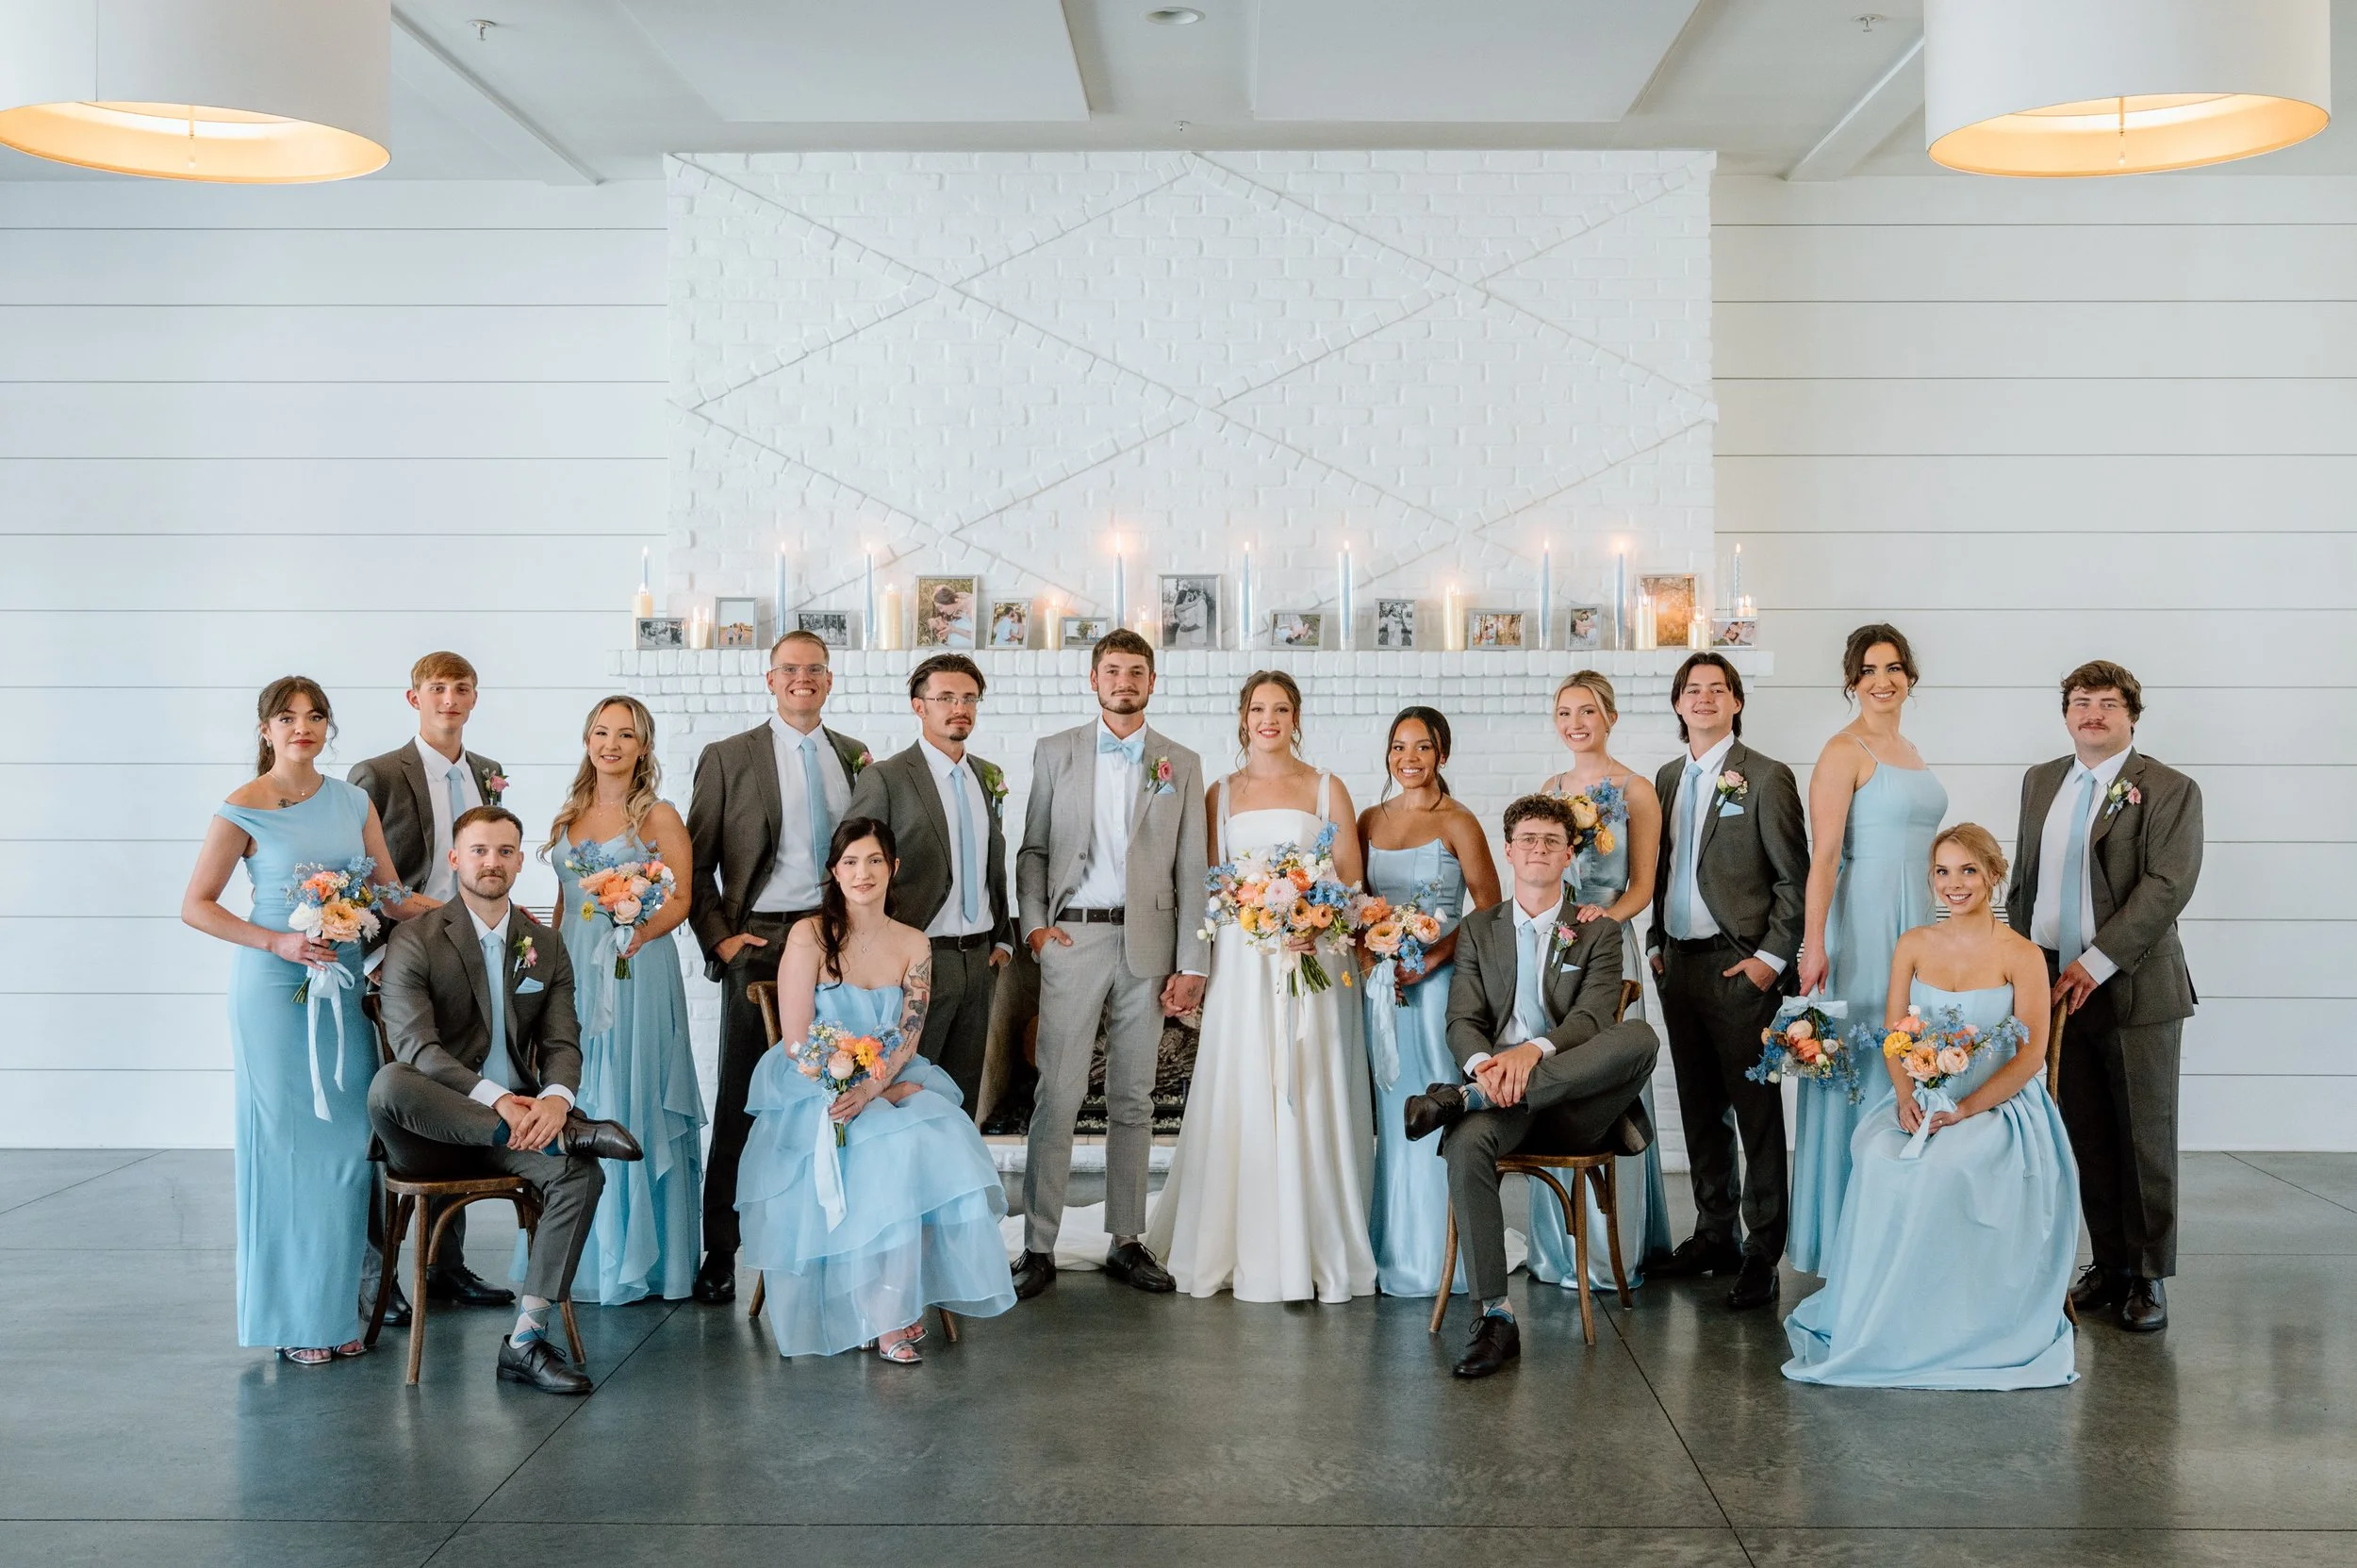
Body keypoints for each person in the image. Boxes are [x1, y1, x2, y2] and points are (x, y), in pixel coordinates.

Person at [181, 677, 429, 1364]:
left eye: (316, 715)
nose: (303, 726)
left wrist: (466, 909)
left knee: (349, 1149)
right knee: (285, 1150)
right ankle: (295, 1319)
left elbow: (390, 894)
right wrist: (278, 941)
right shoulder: (244, 807)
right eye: (287, 717)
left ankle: (335, 1307)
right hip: (273, 989)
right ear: (265, 729)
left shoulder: (353, 801)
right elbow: (197, 904)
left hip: (342, 986)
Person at [1783, 824, 2077, 1389]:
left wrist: (1966, 1110)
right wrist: (1903, 1096)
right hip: (1923, 1098)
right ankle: (1883, 1317)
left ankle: (1950, 1325)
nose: (1954, 884)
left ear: (1993, 875)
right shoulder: (1913, 943)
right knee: (1875, 1154)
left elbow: (2032, 1053)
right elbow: (1896, 1033)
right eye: (1942, 872)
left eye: (1968, 870)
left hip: (1997, 1106)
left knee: (1946, 1164)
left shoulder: (2022, 954)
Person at [368, 806, 643, 1395]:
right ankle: (563, 1132)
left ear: (520, 860)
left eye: (505, 851)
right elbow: (418, 1049)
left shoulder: (545, 944)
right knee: (389, 1082)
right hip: (433, 1135)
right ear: (455, 859)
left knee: (577, 1174)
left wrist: (555, 1099)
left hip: (520, 1129)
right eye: (479, 850)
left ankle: (526, 1339)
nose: (492, 862)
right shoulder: (414, 939)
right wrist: (501, 1104)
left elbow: (563, 1042)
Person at [736, 818, 1017, 1362]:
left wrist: (875, 1087)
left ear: (894, 867)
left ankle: (891, 1300)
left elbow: (909, 1038)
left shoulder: (914, 943)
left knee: (940, 1137)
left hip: (884, 1079)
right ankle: (884, 1314)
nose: (862, 874)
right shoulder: (810, 935)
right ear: (834, 872)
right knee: (890, 1143)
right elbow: (797, 1040)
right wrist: (846, 1085)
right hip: (816, 1083)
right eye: (849, 863)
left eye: (872, 861)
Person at [1403, 794, 1661, 1378]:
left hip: (1576, 1106)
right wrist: (1483, 1068)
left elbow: (1593, 1022)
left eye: (1551, 842)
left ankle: (1457, 1101)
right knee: (1468, 1145)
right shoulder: (1478, 929)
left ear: (1570, 854)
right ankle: (1495, 1317)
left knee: (1639, 1036)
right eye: (1528, 841)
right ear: (1509, 850)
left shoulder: (1596, 930)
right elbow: (1462, 1020)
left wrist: (1526, 1054)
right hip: (1501, 1095)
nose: (1538, 850)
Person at [1144, 671, 1377, 1304]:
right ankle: (1235, 1238)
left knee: (1309, 1081)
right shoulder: (1220, 792)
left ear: (1296, 716)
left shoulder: (1327, 787)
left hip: (1313, 967)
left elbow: (1354, 889)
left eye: (1280, 708)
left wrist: (1319, 925)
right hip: (1245, 966)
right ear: (1242, 717)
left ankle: (1317, 1239)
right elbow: (1211, 884)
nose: (1268, 719)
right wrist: (1251, 916)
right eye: (1257, 708)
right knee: (1244, 1084)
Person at [1010, 631, 1209, 1299]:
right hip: (1073, 940)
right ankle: (1038, 1243)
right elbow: (1033, 848)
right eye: (1113, 670)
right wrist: (1036, 927)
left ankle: (1127, 1237)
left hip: (1149, 950)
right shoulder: (1055, 751)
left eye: (1136, 671)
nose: (1124, 681)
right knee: (1058, 1095)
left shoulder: (1180, 760)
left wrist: (1192, 961)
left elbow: (1192, 869)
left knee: (1132, 1097)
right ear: (1094, 679)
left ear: (1153, 682)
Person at [2010, 660, 2202, 1332]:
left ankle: (2149, 1276)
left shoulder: (2170, 789)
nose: (2093, 713)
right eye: (2081, 702)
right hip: (2055, 985)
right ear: (2066, 713)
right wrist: (2022, 964)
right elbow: (2025, 880)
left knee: (2144, 1139)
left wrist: (2095, 961)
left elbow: (2166, 887)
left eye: (2108, 703)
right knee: (2083, 1135)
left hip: (2134, 988)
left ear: (2131, 715)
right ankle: (2111, 1263)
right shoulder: (2041, 781)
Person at [684, 630, 870, 1305]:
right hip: (759, 941)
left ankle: (833, 1239)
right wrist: (721, 939)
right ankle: (722, 1252)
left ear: (829, 679)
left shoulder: (852, 756)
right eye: (790, 669)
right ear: (770, 680)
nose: (803, 679)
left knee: (841, 1091)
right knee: (744, 1099)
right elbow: (695, 859)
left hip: (838, 941)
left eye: (814, 670)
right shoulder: (729, 757)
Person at [348, 651, 513, 1318]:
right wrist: (375, 957)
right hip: (398, 960)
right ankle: (377, 1274)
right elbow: (361, 874)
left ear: (475, 696)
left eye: (461, 687)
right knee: (390, 1118)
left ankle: (446, 1265)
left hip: (469, 964)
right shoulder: (379, 774)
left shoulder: (486, 773)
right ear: (413, 697)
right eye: (437, 688)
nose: (450, 698)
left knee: (456, 1100)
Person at [1645, 652, 1808, 1311]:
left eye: (1718, 688)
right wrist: (1655, 942)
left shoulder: (1766, 777)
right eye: (1693, 689)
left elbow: (1791, 879)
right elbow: (1659, 869)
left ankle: (1762, 1251)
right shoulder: (1665, 778)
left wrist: (1770, 959)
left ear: (1736, 701)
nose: (1704, 697)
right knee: (1698, 1108)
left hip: (1740, 966)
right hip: (1677, 965)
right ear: (1679, 704)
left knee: (1756, 1114)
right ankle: (1713, 1232)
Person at [1788, 626, 1947, 1274]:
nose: (1883, 679)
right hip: (1864, 923)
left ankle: (1900, 1224)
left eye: (1895, 667)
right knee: (1867, 1068)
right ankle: (1846, 1236)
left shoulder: (1909, 748)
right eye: (1869, 669)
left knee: (1915, 1053)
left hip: (1920, 919)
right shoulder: (1842, 750)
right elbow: (1824, 856)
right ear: (1851, 680)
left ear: (1911, 676)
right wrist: (1813, 943)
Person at [540, 696, 704, 1305]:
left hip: (636, 969)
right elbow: (560, 903)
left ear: (643, 746)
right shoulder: (568, 815)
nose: (612, 743)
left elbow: (681, 898)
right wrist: (549, 973)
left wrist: (635, 931)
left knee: (631, 1095)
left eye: (625, 734)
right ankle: (586, 1257)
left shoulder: (657, 816)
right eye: (602, 732)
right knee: (580, 1092)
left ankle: (645, 1261)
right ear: (588, 740)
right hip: (578, 971)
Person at [1532, 670, 1672, 1291]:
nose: (1576, 722)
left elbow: (1644, 885)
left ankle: (1614, 1245)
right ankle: (1557, 1247)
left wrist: (1600, 922)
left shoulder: (1637, 789)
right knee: (1557, 1072)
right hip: (1557, 946)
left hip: (1609, 943)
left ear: (1609, 716)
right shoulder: (1551, 788)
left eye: (1587, 710)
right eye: (1565, 712)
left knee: (1606, 1080)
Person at [1356, 707, 1500, 1296]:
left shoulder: (1459, 821)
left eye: (1421, 747)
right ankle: (1396, 1246)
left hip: (1439, 988)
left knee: (1437, 1113)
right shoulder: (1368, 819)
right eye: (1398, 747)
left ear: (1442, 753)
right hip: (1383, 990)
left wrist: (1429, 962)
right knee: (1392, 1120)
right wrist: (1375, 962)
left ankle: (1448, 1256)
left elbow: (1490, 912)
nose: (1408, 759)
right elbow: (1357, 906)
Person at [847, 653, 1014, 1114]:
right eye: (945, 698)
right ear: (919, 707)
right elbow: (853, 866)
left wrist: (1002, 938)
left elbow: (990, 862)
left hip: (979, 963)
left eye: (968, 698)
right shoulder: (886, 777)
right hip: (915, 962)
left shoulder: (987, 777)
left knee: (962, 1097)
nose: (959, 708)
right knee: (906, 1092)